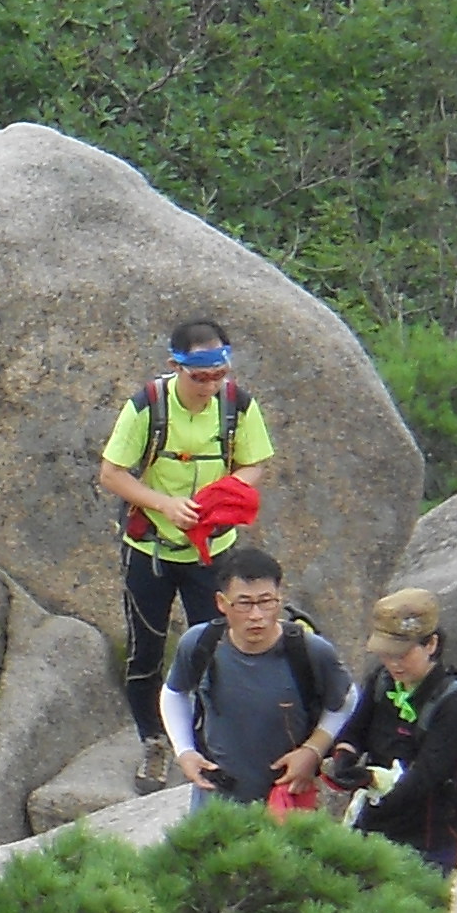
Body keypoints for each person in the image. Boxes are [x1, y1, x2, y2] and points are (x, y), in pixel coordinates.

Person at [100, 321, 280, 789]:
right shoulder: (148, 406)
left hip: (213, 551)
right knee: (146, 649)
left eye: (218, 375)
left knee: (216, 643)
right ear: (175, 367)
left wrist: (225, 495)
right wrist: (164, 504)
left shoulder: (237, 405)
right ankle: (153, 742)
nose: (210, 386)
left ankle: (207, 739)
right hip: (151, 549)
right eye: (200, 377)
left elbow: (255, 461)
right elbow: (113, 473)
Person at [160, 546, 354, 811]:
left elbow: (347, 698)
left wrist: (313, 750)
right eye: (244, 603)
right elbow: (174, 692)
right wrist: (184, 751)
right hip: (216, 799)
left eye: (266, 602)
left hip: (285, 797)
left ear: (279, 598)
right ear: (221, 603)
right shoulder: (200, 643)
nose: (256, 616)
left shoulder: (308, 650)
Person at [328, 586, 457, 872]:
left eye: (402, 654)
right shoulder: (382, 681)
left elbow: (426, 777)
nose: (393, 663)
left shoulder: (454, 705)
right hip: (377, 828)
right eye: (386, 654)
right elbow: (355, 731)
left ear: (431, 645)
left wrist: (370, 781)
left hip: (428, 843)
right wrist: (344, 760)